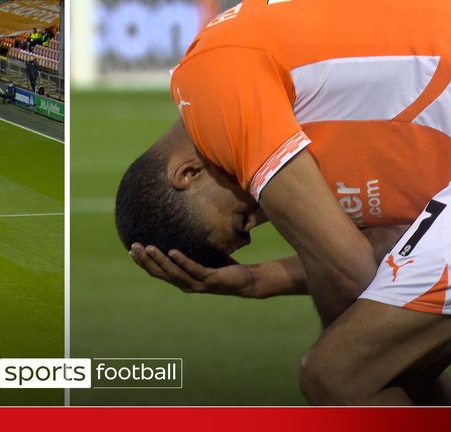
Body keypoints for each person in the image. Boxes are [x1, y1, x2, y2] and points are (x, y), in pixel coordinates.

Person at [117, 0, 451, 405]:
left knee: (336, 376)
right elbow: (397, 248)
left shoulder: (210, 86)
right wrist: (262, 279)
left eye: (242, 220)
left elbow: (349, 269)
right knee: (372, 371)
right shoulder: (299, 121)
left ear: (187, 174)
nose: (262, 218)